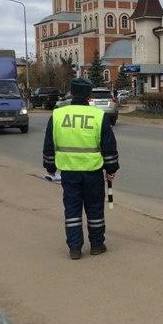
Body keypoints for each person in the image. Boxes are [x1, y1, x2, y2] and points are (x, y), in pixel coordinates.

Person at [43, 77, 119, 260]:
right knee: (95, 209)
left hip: (68, 173)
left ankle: (75, 248)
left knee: (72, 210)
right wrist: (111, 169)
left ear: (71, 92)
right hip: (92, 172)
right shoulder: (98, 116)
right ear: (88, 95)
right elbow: (109, 147)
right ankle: (97, 245)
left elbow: (49, 145)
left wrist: (50, 167)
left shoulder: (58, 115)